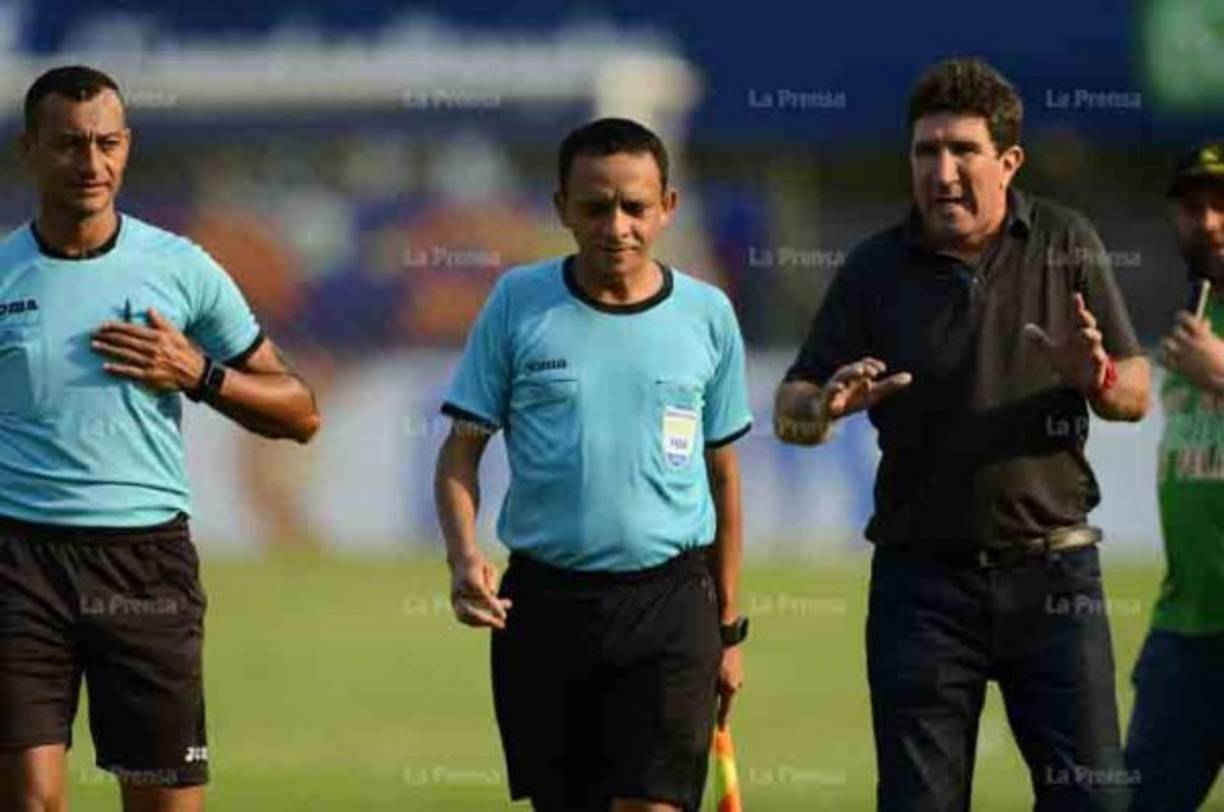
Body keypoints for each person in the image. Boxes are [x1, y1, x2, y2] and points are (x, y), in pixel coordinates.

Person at [774, 57, 1149, 810]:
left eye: (962, 151)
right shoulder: (875, 267)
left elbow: (1134, 394)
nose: (941, 171)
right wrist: (827, 408)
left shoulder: (1065, 240)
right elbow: (792, 408)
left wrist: (1095, 376)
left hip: (1055, 578)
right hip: (921, 589)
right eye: (925, 152)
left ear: (1008, 161)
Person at [0, 65, 321, 812]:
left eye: (107, 144)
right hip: (18, 565)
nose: (91, 164)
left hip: (145, 567)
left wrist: (200, 373)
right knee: (31, 801)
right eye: (70, 146)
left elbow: (299, 411)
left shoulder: (180, 268)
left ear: (128, 147)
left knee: (162, 804)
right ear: (29, 150)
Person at [434, 117, 752, 812]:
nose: (617, 225)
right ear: (561, 210)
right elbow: (460, 452)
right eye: (595, 206)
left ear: (667, 207)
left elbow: (724, 478)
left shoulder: (708, 314)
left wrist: (729, 631)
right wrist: (464, 557)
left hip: (673, 605)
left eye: (635, 206)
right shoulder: (518, 302)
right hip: (544, 609)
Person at [1126, 140, 1224, 811]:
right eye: (1193, 207)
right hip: (1185, 631)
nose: (1209, 221)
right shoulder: (1193, 319)